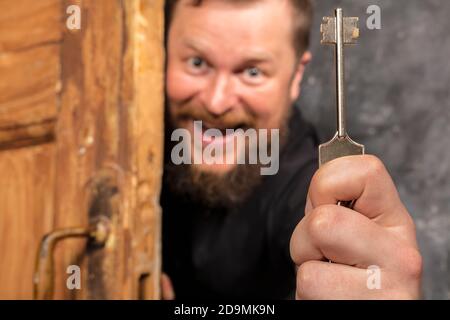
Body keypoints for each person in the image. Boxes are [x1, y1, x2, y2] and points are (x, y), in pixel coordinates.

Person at [161, 0, 422, 299]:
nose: (216, 102)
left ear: (296, 76)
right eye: (197, 63)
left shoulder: (308, 190)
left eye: (252, 72)